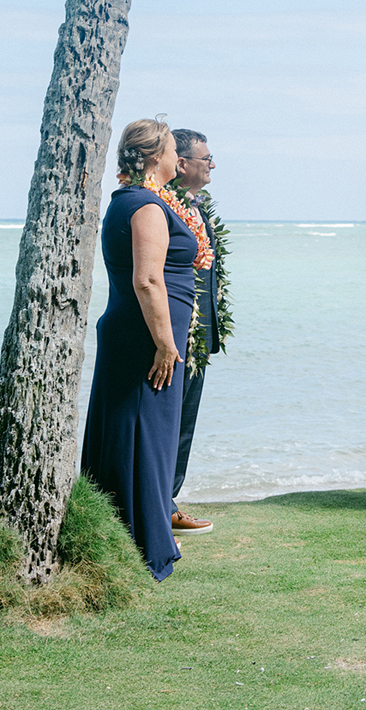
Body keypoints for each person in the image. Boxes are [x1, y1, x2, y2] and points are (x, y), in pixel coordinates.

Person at [82, 118, 210, 580]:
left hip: (139, 336)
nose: (180, 158)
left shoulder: (136, 201)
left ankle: (130, 531)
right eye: (176, 150)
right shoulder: (146, 207)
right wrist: (165, 345)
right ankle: (143, 540)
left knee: (139, 436)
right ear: (156, 156)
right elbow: (148, 279)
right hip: (145, 341)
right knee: (144, 437)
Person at [169, 127, 227, 537]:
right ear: (182, 163)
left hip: (198, 333)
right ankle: (161, 503)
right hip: (176, 333)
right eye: (205, 159)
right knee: (170, 421)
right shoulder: (166, 206)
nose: (211, 166)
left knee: (185, 422)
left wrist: (207, 333)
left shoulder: (197, 208)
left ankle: (169, 498)